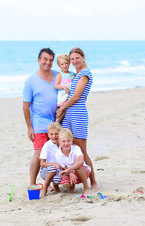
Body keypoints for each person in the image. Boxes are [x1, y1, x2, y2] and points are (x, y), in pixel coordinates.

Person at [56, 47, 98, 190]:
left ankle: (93, 182)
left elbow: (76, 96)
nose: (74, 61)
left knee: (81, 150)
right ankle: (68, 179)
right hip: (69, 114)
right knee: (67, 146)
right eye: (72, 59)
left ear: (83, 56)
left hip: (78, 114)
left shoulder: (85, 73)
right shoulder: (76, 73)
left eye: (77, 58)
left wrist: (61, 108)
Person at [23, 48, 58, 186]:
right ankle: (32, 184)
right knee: (38, 155)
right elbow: (25, 106)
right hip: (39, 123)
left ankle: (53, 184)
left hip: (56, 123)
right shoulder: (30, 81)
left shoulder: (57, 75)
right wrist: (29, 128)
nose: (47, 62)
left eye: (50, 60)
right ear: (38, 60)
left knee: (54, 154)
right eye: (45, 59)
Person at [55, 128, 91, 194]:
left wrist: (69, 170)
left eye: (68, 141)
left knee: (78, 167)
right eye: (63, 141)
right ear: (59, 142)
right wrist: (70, 172)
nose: (66, 143)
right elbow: (64, 167)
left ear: (72, 141)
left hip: (83, 171)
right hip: (69, 172)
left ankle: (86, 187)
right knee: (65, 184)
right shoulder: (58, 154)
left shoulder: (76, 148)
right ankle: (71, 186)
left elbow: (81, 162)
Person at [39, 122, 63, 197]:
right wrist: (53, 164)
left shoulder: (63, 144)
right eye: (51, 134)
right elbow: (42, 163)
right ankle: (45, 188)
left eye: (56, 134)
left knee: (59, 178)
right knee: (52, 168)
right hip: (46, 171)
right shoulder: (47, 145)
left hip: (58, 169)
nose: (54, 136)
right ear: (48, 135)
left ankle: (56, 185)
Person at [54, 54, 75, 123]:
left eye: (66, 63)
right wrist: (63, 87)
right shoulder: (60, 74)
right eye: (62, 64)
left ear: (69, 63)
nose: (64, 65)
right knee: (62, 112)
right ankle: (56, 124)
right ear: (59, 65)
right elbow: (56, 85)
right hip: (62, 96)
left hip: (70, 96)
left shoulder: (72, 74)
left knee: (68, 111)